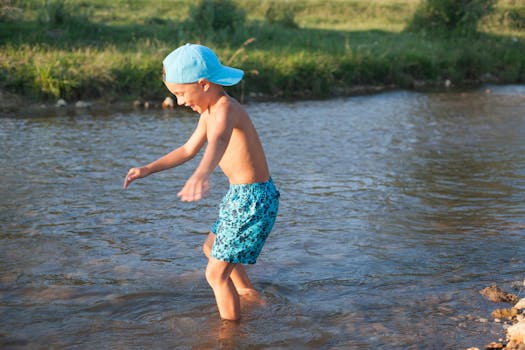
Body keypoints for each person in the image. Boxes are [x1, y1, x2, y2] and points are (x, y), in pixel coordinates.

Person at [123, 43, 279, 321]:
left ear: (204, 84)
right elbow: (186, 150)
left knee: (215, 274)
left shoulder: (226, 109)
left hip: (252, 198)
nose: (180, 102)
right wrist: (147, 169)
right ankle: (249, 295)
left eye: (181, 93)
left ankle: (230, 333)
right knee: (211, 248)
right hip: (241, 196)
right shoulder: (209, 112)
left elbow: (218, 142)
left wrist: (201, 174)